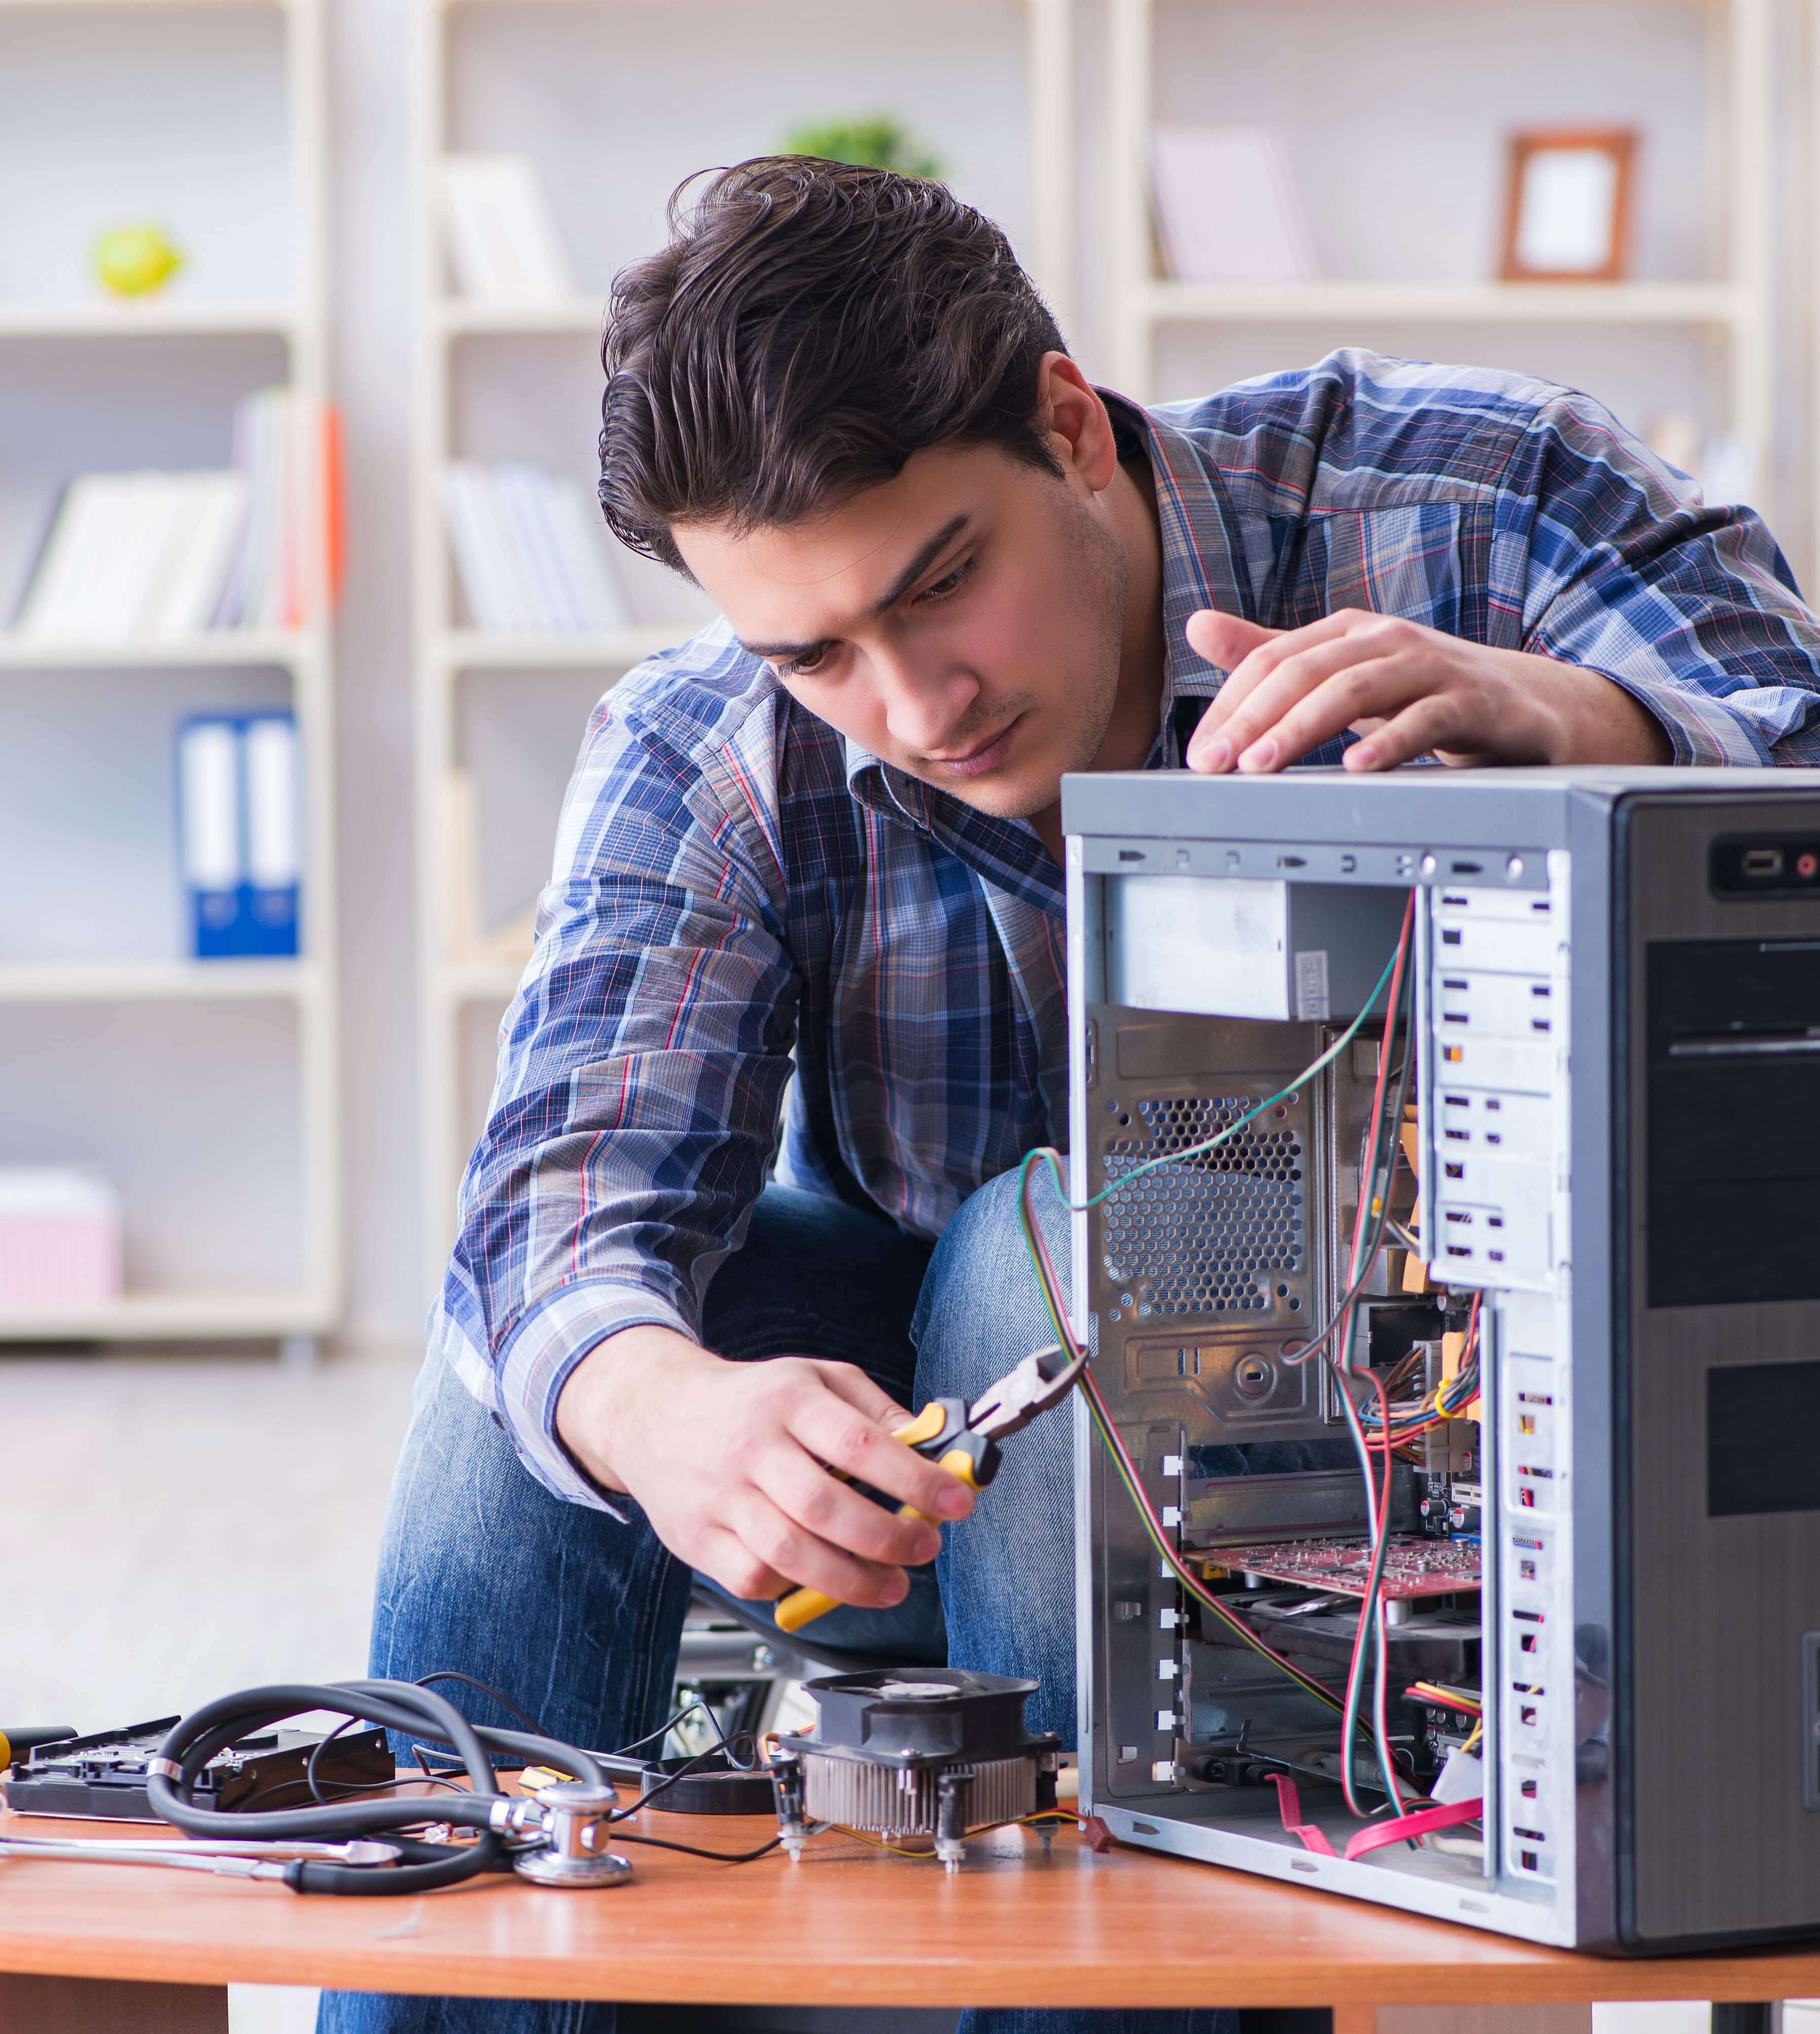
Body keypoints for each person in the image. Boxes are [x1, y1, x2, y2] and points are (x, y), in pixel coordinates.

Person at [321, 157, 1820, 2034]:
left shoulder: (1474, 500)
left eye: (942, 582)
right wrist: (657, 1405)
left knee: (1047, 1251)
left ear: (1065, 420)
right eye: (812, 652)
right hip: (936, 1442)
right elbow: (556, 1203)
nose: (917, 703)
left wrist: (1588, 732)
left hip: (1457, 1410)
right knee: (529, 1379)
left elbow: (1788, 759)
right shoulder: (715, 746)